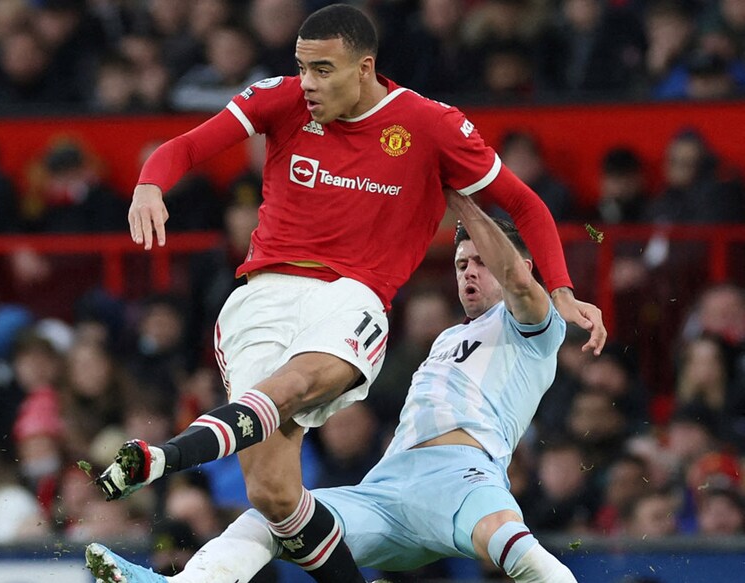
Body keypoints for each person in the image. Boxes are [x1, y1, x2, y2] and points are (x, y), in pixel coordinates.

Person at [95, 5, 604, 583]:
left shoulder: (429, 125)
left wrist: (560, 289)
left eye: (323, 70)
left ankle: (165, 456)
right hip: (264, 299)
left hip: (351, 298)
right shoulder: (280, 98)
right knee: (273, 497)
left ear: (364, 68)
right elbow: (181, 148)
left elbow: (526, 207)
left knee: (294, 386)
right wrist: (148, 184)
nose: (308, 83)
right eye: (302, 67)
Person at [88, 192, 578, 583]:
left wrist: (463, 199)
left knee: (512, 545)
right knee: (276, 517)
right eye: (460, 263)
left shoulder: (536, 327)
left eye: (480, 262)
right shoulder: (448, 337)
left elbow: (516, 280)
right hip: (389, 490)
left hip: (464, 480)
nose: (469, 271)